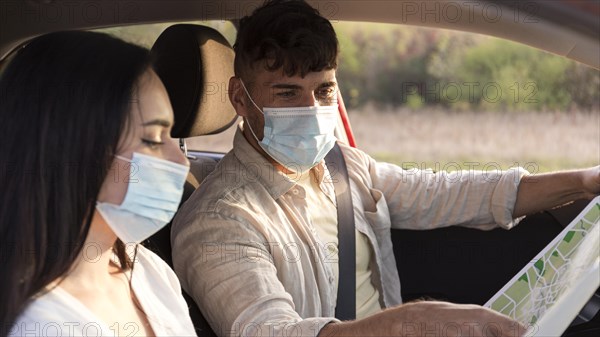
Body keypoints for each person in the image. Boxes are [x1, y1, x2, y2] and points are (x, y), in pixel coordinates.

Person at [170, 1, 600, 336]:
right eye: (287, 93)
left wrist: (582, 181)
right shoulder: (218, 221)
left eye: (324, 91)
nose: (311, 109)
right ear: (240, 99)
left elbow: (445, 193)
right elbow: (270, 331)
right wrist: (407, 324)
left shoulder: (342, 166)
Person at [0, 31, 197, 336]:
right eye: (152, 139)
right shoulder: (40, 326)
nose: (181, 163)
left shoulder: (148, 270)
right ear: (73, 148)